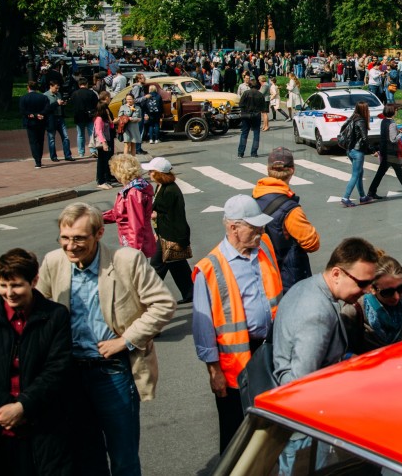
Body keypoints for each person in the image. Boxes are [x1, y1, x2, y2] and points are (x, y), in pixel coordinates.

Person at [38, 202, 175, 476]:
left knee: (123, 457)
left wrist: (125, 340)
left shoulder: (126, 260)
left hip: (112, 372)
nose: (71, 246)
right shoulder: (54, 262)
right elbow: (38, 312)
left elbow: (163, 304)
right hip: (71, 374)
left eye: (79, 238)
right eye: (65, 238)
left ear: (99, 233)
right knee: (86, 458)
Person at [0, 249, 72, 475]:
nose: (9, 293)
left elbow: (58, 369)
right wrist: (4, 408)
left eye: (16, 285)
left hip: (42, 429)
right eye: (3, 285)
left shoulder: (55, 317)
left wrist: (23, 406)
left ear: (34, 281)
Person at [192, 195, 280, 454]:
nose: (261, 232)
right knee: (235, 437)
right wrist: (214, 371)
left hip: (271, 352)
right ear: (233, 228)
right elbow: (203, 328)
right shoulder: (209, 268)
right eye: (254, 228)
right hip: (235, 365)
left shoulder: (263, 247)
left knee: (271, 429)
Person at [273, 237, 381, 385]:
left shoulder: (307, 286)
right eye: (362, 283)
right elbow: (303, 381)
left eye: (371, 283)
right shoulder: (317, 314)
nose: (368, 291)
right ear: (336, 274)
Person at [253, 147, 322, 292]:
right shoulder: (290, 209)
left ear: (268, 169)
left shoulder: (254, 199)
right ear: (292, 170)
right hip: (289, 279)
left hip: (261, 274)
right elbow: (312, 243)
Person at [341, 254, 402, 354]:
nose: (396, 297)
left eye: (401, 288)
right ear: (372, 289)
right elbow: (341, 351)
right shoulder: (353, 311)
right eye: (388, 292)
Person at [144, 157, 195, 304]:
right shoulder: (161, 186)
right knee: (177, 264)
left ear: (159, 173)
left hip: (171, 234)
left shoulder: (170, 190)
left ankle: (147, 298)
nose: (149, 174)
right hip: (165, 232)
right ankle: (191, 292)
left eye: (151, 171)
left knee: (156, 267)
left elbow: (169, 214)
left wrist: (155, 215)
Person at [103, 154, 157, 259]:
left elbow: (135, 225)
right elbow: (119, 213)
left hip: (134, 244)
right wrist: (95, 217)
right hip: (137, 241)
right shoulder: (139, 186)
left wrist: (133, 252)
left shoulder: (133, 193)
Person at [366, 105, 402, 201]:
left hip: (385, 150)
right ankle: (372, 192)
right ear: (392, 112)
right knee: (393, 172)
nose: (396, 111)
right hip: (391, 151)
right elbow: (393, 139)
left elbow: (387, 134)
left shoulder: (384, 121)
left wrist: (397, 131)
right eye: (396, 110)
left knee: (391, 172)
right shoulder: (392, 123)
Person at [340, 101, 373, 208]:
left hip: (350, 150)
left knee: (359, 173)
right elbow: (364, 138)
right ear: (364, 110)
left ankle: (363, 197)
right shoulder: (361, 121)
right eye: (367, 109)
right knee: (355, 175)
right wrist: (373, 150)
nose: (368, 111)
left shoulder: (352, 118)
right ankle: (346, 197)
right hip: (357, 151)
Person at [19, 82, 51, 169]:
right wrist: (40, 114)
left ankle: (37, 161)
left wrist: (32, 114)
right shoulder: (43, 97)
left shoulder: (23, 98)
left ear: (28, 87)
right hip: (41, 122)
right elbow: (47, 108)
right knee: (40, 141)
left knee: (33, 142)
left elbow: (22, 111)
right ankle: (39, 159)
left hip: (30, 122)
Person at [44, 81, 75, 163]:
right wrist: (56, 103)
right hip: (51, 119)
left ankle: (68, 155)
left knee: (66, 137)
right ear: (51, 86)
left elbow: (59, 104)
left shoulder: (58, 94)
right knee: (51, 139)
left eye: (58, 88)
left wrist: (62, 104)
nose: (57, 90)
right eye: (56, 88)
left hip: (60, 117)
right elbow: (46, 109)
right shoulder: (45, 96)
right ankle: (53, 156)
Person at [69, 76, 99, 158]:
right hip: (90, 116)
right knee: (92, 134)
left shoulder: (74, 94)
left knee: (80, 135)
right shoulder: (91, 93)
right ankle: (93, 150)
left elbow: (71, 105)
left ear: (79, 85)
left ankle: (81, 152)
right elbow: (96, 104)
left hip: (79, 116)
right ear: (86, 84)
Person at [94, 92, 119, 189]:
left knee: (106, 161)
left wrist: (110, 119)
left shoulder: (105, 119)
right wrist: (104, 143)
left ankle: (105, 179)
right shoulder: (99, 119)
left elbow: (112, 125)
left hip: (108, 139)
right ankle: (101, 181)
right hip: (103, 142)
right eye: (106, 111)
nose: (108, 112)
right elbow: (99, 131)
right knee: (102, 161)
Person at [237, 75, 265, 158]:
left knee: (244, 134)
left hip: (246, 115)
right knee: (256, 134)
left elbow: (241, 104)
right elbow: (263, 107)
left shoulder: (246, 93)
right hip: (256, 116)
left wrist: (244, 111)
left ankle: (240, 153)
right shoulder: (260, 95)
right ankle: (254, 153)